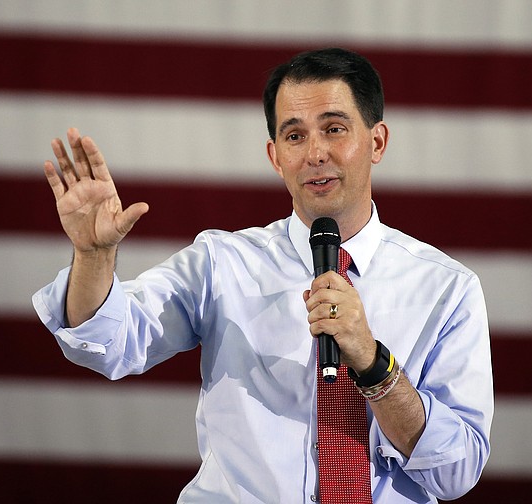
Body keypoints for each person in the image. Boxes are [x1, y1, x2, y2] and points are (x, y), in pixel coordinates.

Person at [32, 48, 493, 503]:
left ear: (377, 142)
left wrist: (374, 364)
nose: (315, 153)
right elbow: (109, 343)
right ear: (275, 156)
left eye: (334, 129)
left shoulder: (447, 289)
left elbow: (457, 472)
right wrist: (93, 256)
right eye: (294, 136)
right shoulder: (219, 263)